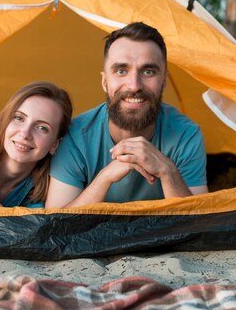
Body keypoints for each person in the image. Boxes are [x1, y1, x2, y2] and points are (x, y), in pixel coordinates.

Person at [45, 22, 208, 208]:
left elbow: (198, 225)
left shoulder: (186, 135)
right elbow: (56, 227)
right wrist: (103, 180)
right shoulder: (75, 137)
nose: (134, 85)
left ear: (163, 82)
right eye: (121, 71)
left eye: (148, 71)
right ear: (105, 82)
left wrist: (167, 171)